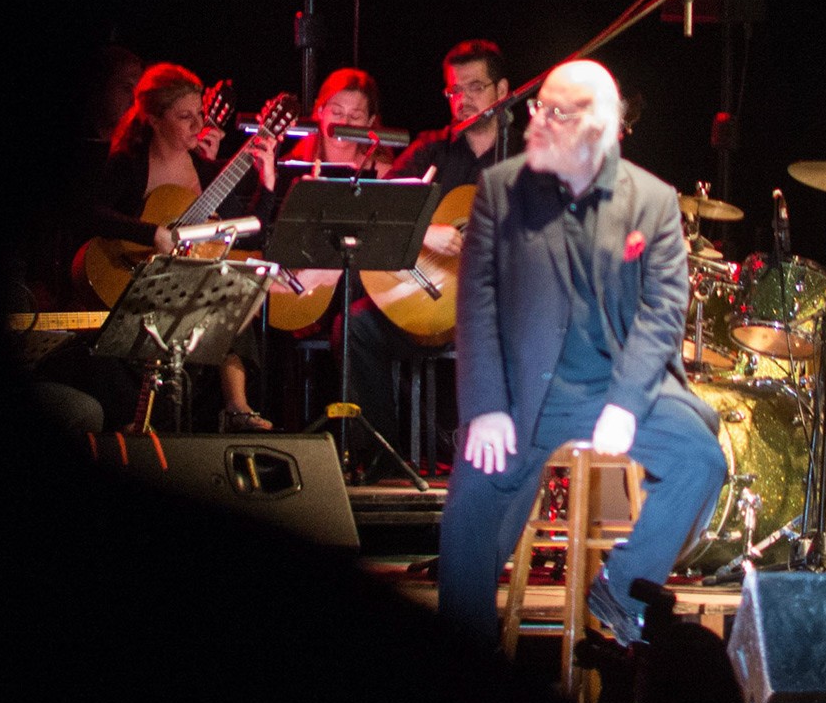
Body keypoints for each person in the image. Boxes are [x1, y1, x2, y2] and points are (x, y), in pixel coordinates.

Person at [437, 60, 727, 650]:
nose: (535, 122)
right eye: (539, 107)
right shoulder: (502, 188)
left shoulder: (653, 200)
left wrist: (626, 402)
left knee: (700, 458)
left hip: (616, 385)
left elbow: (663, 313)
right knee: (469, 519)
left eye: (555, 112)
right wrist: (486, 405)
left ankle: (621, 592)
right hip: (524, 389)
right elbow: (477, 300)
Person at [333, 40, 518, 477]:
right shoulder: (430, 151)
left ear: (503, 91)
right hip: (429, 299)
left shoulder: (527, 157)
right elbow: (375, 212)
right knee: (353, 325)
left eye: (475, 87)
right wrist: (424, 235)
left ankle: (502, 465)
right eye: (454, 90)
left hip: (495, 309)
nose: (463, 99)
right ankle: (382, 463)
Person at [75, 62, 277, 431]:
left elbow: (251, 234)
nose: (199, 125)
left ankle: (237, 407)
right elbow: (91, 214)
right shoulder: (131, 165)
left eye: (200, 113)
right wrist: (152, 234)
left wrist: (267, 183)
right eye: (185, 116)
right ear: (153, 119)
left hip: (187, 295)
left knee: (234, 295)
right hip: (135, 286)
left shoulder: (205, 171)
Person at [283, 68, 396, 177]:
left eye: (355, 116)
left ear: (369, 121)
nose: (344, 122)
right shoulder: (292, 166)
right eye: (337, 112)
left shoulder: (382, 174)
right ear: (321, 111)